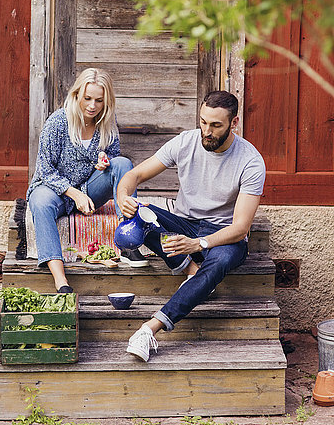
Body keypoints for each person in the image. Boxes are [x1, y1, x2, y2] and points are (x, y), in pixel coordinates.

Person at [116, 90, 266, 362]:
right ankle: (190, 268)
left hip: (224, 237)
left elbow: (241, 227)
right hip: (185, 224)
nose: (206, 131)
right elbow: (134, 174)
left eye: (216, 125)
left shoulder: (251, 161)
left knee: (217, 265)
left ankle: (150, 328)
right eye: (203, 121)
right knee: (139, 214)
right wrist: (123, 197)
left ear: (234, 123)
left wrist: (198, 244)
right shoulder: (186, 142)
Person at [27, 68, 146, 295]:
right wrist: (74, 194)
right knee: (40, 202)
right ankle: (60, 280)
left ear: (106, 100)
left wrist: (105, 161)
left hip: (89, 189)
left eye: (99, 100)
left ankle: (128, 241)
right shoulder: (58, 122)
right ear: (77, 95)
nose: (92, 105)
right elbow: (44, 169)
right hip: (54, 190)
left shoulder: (107, 123)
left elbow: (114, 155)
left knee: (122, 164)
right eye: (87, 98)